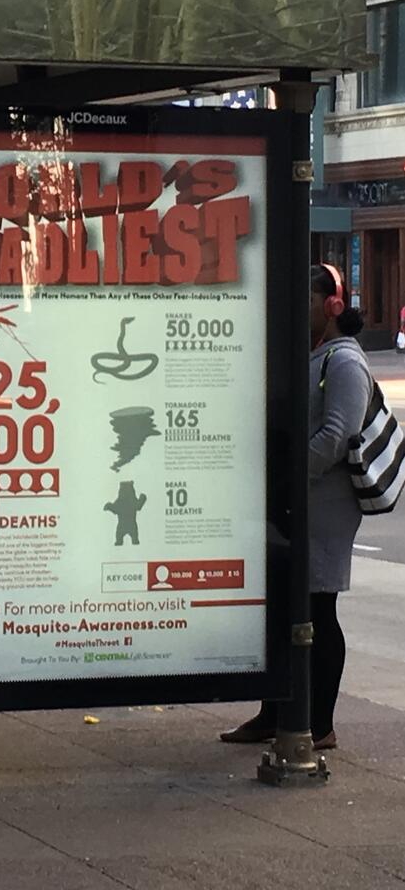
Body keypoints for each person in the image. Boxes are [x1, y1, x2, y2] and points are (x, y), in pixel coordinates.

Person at [220, 263, 371, 752]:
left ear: (331, 306)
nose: (299, 309)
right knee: (288, 607)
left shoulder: (344, 362)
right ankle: (276, 712)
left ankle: (319, 722)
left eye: (308, 301)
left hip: (324, 507)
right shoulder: (316, 354)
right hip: (298, 503)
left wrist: (285, 475)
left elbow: (335, 437)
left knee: (319, 609)